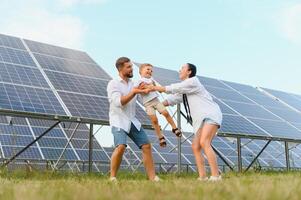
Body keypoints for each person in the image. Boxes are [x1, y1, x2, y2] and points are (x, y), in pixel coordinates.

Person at [150, 63, 223, 181]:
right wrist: (157, 107)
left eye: (182, 68)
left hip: (210, 114)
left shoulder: (193, 81)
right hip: (201, 119)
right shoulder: (185, 89)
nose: (180, 70)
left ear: (189, 72)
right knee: (195, 146)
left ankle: (216, 176)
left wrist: (154, 88)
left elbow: (173, 88)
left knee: (205, 142)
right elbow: (173, 99)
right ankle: (203, 177)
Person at [107, 57, 160, 181]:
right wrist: (135, 92)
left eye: (131, 66)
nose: (132, 69)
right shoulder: (113, 84)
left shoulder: (133, 84)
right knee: (121, 146)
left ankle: (153, 178)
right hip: (118, 120)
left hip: (132, 120)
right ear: (121, 69)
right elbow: (120, 102)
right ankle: (112, 177)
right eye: (129, 67)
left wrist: (148, 90)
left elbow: (142, 91)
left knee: (146, 146)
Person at [136, 63, 182, 147]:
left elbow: (158, 88)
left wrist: (154, 87)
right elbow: (137, 90)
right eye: (148, 69)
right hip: (147, 104)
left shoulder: (152, 80)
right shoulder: (139, 81)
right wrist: (144, 88)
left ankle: (174, 128)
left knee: (166, 113)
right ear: (141, 71)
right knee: (154, 120)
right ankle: (160, 137)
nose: (150, 71)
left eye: (151, 70)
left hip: (156, 101)